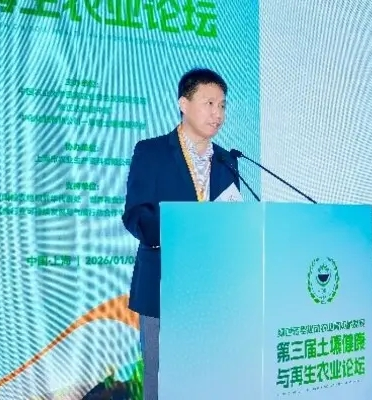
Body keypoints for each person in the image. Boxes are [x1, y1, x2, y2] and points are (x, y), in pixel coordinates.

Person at [121, 68, 240, 399]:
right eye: (209, 103)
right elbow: (135, 214)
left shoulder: (227, 162)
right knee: (162, 381)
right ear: (183, 104)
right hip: (163, 285)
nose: (218, 114)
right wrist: (179, 231)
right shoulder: (151, 152)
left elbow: (233, 221)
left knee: (208, 379)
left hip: (214, 291)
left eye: (222, 105)